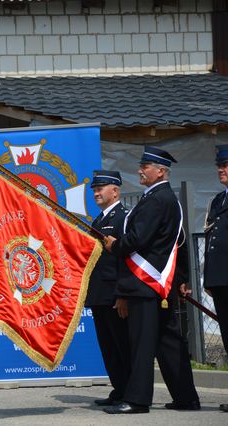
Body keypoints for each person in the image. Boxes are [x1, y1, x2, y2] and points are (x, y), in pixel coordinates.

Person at [102, 146, 199, 414]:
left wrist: (115, 245)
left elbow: (138, 238)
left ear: (160, 171)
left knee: (142, 343)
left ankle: (137, 400)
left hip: (146, 282)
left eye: (145, 167)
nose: (140, 171)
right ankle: (185, 397)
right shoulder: (164, 197)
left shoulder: (157, 199)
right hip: (158, 283)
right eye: (142, 166)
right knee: (167, 342)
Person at [85, 170, 131, 407]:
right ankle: (119, 388)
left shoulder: (124, 217)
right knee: (108, 345)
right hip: (98, 293)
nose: (96, 192)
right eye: (94, 189)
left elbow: (126, 259)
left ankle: (129, 391)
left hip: (114, 292)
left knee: (121, 343)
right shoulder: (99, 220)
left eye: (101, 188)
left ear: (115, 190)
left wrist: (123, 293)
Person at [203, 144, 228, 413]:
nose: (221, 169)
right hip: (221, 280)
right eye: (219, 166)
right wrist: (209, 278)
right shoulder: (218, 201)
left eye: (226, 165)